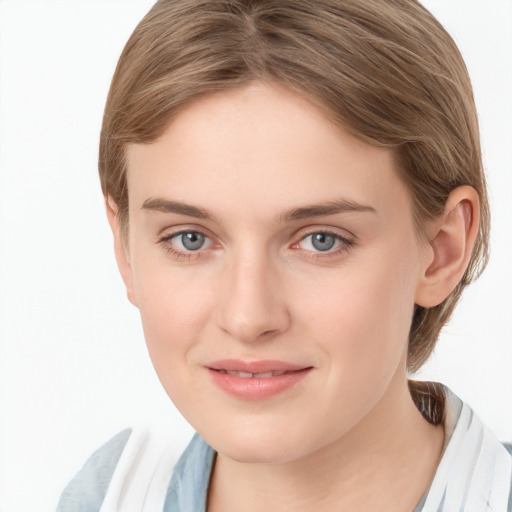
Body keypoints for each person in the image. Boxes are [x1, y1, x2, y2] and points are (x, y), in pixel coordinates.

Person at [56, 0, 512, 510]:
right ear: (125, 247)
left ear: (441, 251)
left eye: (322, 240)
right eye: (190, 239)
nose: (248, 317)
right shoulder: (103, 495)